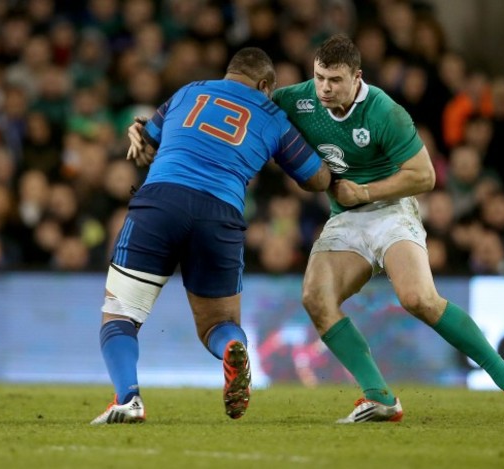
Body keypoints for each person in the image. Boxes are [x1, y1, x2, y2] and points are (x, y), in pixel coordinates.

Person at [270, 34, 504, 424]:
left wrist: (364, 190)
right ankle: (379, 397)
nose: (324, 88)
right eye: (319, 78)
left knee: (418, 298)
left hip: (391, 211)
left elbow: (425, 176)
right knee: (316, 298)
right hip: (345, 219)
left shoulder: (384, 111)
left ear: (357, 77)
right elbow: (250, 111)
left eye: (335, 80)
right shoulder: (298, 98)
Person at [91, 47, 331, 425]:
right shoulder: (273, 117)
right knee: (217, 324)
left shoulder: (188, 92)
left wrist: (137, 134)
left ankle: (128, 399)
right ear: (265, 85)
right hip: (220, 215)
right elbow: (317, 179)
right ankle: (234, 347)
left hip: (161, 203)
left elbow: (145, 142)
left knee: (120, 314)